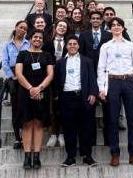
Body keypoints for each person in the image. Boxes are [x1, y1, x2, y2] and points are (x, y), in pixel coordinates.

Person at [97, 17, 133, 167]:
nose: (116, 27)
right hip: (113, 82)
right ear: (110, 29)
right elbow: (101, 68)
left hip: (129, 81)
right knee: (112, 120)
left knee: (132, 120)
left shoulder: (131, 46)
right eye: (113, 25)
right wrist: (102, 88)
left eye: (119, 25)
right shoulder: (106, 46)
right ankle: (115, 154)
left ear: (123, 28)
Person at [53, 36, 98, 167]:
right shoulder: (60, 63)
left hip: (84, 97)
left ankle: (87, 156)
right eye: (70, 44)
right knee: (69, 128)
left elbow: (92, 78)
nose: (72, 46)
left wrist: (93, 93)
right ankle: (70, 156)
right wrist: (57, 96)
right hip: (66, 98)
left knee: (86, 128)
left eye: (75, 44)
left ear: (78, 46)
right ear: (66, 47)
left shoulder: (87, 61)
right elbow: (56, 81)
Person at [14, 29, 54, 169]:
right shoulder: (22, 54)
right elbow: (18, 73)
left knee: (38, 123)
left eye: (40, 37)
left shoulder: (47, 55)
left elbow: (50, 74)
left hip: (42, 92)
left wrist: (39, 88)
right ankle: (27, 157)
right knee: (27, 123)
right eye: (35, 37)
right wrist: (31, 88)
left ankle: (36, 156)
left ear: (43, 40)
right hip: (25, 92)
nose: (37, 39)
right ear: (30, 39)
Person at [77, 11, 110, 146]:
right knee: (89, 108)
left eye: (98, 18)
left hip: (105, 74)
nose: (96, 20)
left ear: (101, 20)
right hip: (89, 75)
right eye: (93, 18)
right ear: (90, 20)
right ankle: (91, 139)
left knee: (108, 108)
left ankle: (108, 139)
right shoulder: (84, 35)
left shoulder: (108, 35)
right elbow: (81, 54)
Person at [0, 21, 30, 147]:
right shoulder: (7, 45)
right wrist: (11, 76)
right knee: (15, 108)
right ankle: (18, 138)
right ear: (16, 28)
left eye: (25, 29)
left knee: (25, 107)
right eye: (20, 27)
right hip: (13, 77)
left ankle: (25, 136)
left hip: (26, 76)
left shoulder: (28, 44)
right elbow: (5, 62)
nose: (22, 30)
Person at [42, 20, 70, 147]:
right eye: (60, 26)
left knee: (64, 107)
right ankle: (53, 134)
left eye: (64, 26)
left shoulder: (70, 44)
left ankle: (63, 134)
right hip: (50, 78)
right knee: (52, 107)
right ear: (55, 27)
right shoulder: (47, 44)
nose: (62, 28)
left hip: (66, 79)